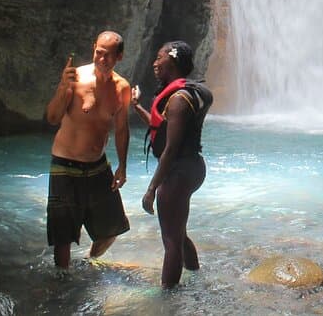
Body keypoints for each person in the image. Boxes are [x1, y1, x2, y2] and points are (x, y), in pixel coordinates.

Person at [44, 31, 131, 268]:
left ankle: (89, 263)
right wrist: (63, 88)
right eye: (98, 53)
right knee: (63, 237)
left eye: (108, 56)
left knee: (112, 228)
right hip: (65, 163)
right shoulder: (75, 79)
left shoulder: (122, 88)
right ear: (93, 48)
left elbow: (122, 130)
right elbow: (52, 118)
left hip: (97, 165)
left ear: (119, 57)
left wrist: (122, 167)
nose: (102, 59)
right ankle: (62, 283)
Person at [131, 40, 213, 288]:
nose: (155, 63)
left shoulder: (178, 99)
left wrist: (151, 188)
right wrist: (136, 106)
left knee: (170, 240)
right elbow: (161, 129)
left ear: (173, 60)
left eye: (159, 57)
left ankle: (167, 299)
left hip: (178, 171)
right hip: (191, 167)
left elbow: (170, 149)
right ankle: (196, 277)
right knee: (178, 232)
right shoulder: (185, 94)